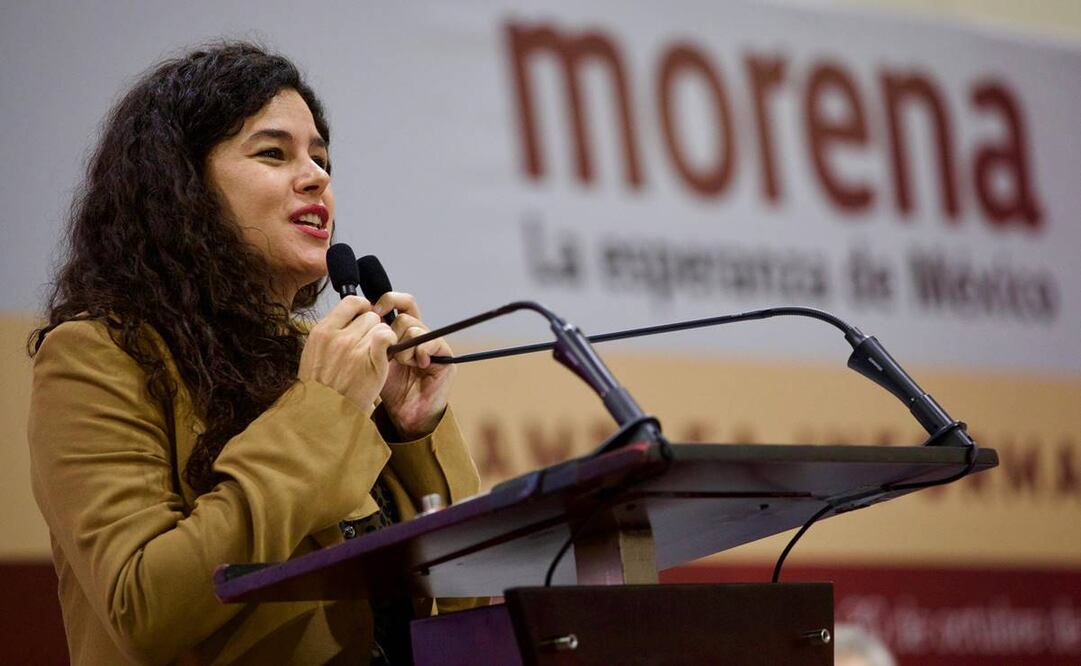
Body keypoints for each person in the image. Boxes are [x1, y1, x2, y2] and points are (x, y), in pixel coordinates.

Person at [27, 41, 482, 665]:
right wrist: (320, 409)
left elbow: (472, 602)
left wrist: (414, 432)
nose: (317, 176)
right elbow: (143, 607)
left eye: (321, 159)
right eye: (273, 153)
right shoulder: (96, 355)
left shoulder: (324, 362)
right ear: (181, 185)